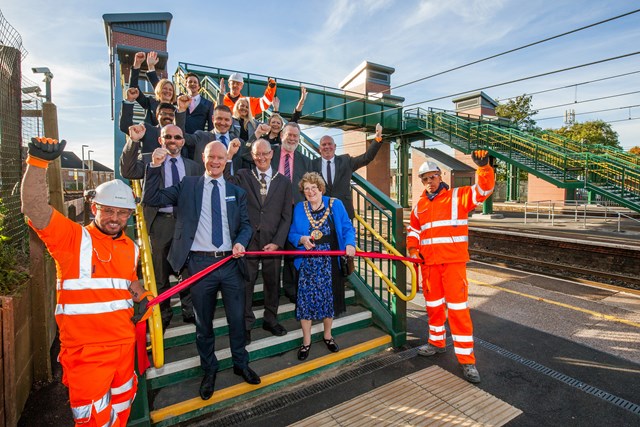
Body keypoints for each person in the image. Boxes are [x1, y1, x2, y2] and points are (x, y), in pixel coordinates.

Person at [21, 137, 151, 426]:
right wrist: (38, 162)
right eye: (108, 211)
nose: (115, 218)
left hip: (123, 347)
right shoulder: (72, 239)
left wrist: (141, 296)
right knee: (93, 419)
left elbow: (129, 283)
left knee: (122, 407)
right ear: (94, 208)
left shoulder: (130, 247)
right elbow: (34, 207)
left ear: (129, 214)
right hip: (87, 354)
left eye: (121, 213)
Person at [142, 141, 259, 401]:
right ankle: (209, 370)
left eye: (220, 157)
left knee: (237, 320)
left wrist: (240, 241)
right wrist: (154, 167)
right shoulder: (188, 185)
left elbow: (247, 226)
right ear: (203, 157)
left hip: (229, 264)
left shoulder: (236, 192)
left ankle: (240, 363)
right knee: (203, 324)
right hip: (199, 265)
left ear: (226, 160)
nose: (216, 161)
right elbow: (151, 198)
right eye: (211, 157)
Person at [406, 150, 494, 384]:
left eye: (432, 177)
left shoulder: (458, 196)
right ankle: (436, 343)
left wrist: (483, 168)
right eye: (425, 179)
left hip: (453, 264)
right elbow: (414, 231)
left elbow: (483, 191)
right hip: (429, 265)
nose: (429, 182)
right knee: (433, 307)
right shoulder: (420, 206)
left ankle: (467, 360)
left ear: (440, 175)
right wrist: (413, 250)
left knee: (458, 311)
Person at [120, 124, 204, 330]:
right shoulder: (151, 159)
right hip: (160, 224)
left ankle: (188, 309)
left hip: (185, 223)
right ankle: (163, 313)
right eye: (168, 137)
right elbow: (128, 170)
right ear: (160, 140)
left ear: (183, 141)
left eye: (177, 137)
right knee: (159, 272)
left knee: (188, 271)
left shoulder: (193, 166)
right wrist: (133, 141)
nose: (172, 141)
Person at [226, 138, 293, 343]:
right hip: (249, 242)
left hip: (272, 242)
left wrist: (278, 242)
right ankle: (246, 324)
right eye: (257, 154)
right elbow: (226, 183)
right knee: (246, 285)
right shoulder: (243, 175)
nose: (261, 157)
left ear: (272, 154)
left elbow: (286, 216)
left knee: (273, 284)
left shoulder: (283, 181)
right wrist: (229, 156)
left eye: (265, 153)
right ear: (252, 156)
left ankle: (270, 320)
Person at [288, 172, 356, 361]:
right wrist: (301, 239)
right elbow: (292, 233)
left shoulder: (335, 204)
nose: (310, 192)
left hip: (330, 263)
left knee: (328, 302)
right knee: (305, 304)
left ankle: (328, 336)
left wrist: (350, 244)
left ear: (321, 188)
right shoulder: (300, 208)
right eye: (306, 189)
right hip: (308, 263)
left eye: (313, 188)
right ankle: (306, 342)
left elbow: (348, 228)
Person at [270, 122, 313, 302]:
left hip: (296, 211)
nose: (292, 139)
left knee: (293, 250)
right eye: (289, 135)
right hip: (272, 210)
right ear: (281, 135)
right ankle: (271, 292)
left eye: (296, 136)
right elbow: (246, 154)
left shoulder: (305, 161)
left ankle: (291, 289)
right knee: (272, 253)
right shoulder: (269, 152)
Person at [312, 123, 384, 219]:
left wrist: (377, 138)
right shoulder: (312, 164)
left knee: (345, 234)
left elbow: (366, 158)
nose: (327, 146)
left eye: (330, 144)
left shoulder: (346, 161)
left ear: (335, 146)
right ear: (319, 148)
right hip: (321, 212)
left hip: (344, 211)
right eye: (324, 144)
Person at [175, 99, 247, 172]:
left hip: (231, 182)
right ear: (212, 119)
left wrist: (256, 135)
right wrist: (181, 110)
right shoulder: (201, 137)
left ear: (231, 121)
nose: (222, 123)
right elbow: (180, 136)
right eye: (219, 118)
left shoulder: (239, 143)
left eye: (226, 120)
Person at [119, 87, 177, 154]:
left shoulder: (179, 134)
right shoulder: (147, 130)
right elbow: (125, 126)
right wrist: (129, 100)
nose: (167, 116)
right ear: (157, 115)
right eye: (164, 113)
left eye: (171, 114)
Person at [129, 51, 176, 127]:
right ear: (159, 90)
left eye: (170, 90)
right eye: (165, 88)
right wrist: (137, 64)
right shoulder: (150, 103)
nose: (168, 91)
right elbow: (133, 89)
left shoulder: (177, 109)